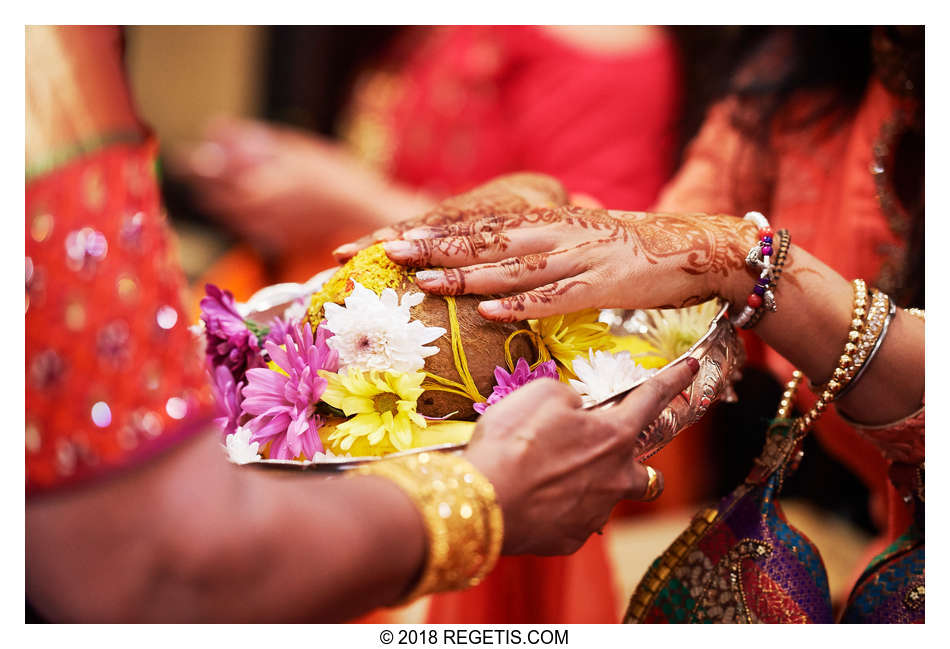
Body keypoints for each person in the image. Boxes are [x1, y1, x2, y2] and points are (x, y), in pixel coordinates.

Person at [25, 26, 699, 622]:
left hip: (482, 392)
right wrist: (477, 500)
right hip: (359, 376)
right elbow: (150, 561)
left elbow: (613, 270)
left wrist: (346, 198)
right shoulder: (44, 73)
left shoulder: (598, 42)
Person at [335, 27, 924, 619]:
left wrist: (743, 261)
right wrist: (535, 202)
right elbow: (656, 250)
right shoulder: (804, 65)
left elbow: (708, 248)